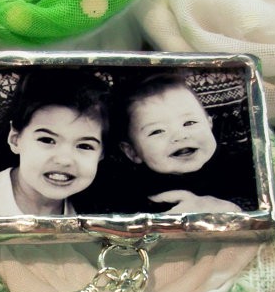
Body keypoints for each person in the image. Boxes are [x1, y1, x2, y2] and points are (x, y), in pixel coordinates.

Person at [94, 71, 256, 214]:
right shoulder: (124, 188)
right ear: (132, 152)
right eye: (157, 131)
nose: (180, 136)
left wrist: (234, 208)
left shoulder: (242, 167)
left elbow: (262, 207)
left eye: (190, 123)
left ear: (209, 124)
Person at [0, 69, 109, 216]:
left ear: (102, 153)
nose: (64, 160)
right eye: (47, 140)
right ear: (15, 139)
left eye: (85, 146)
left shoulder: (95, 214)